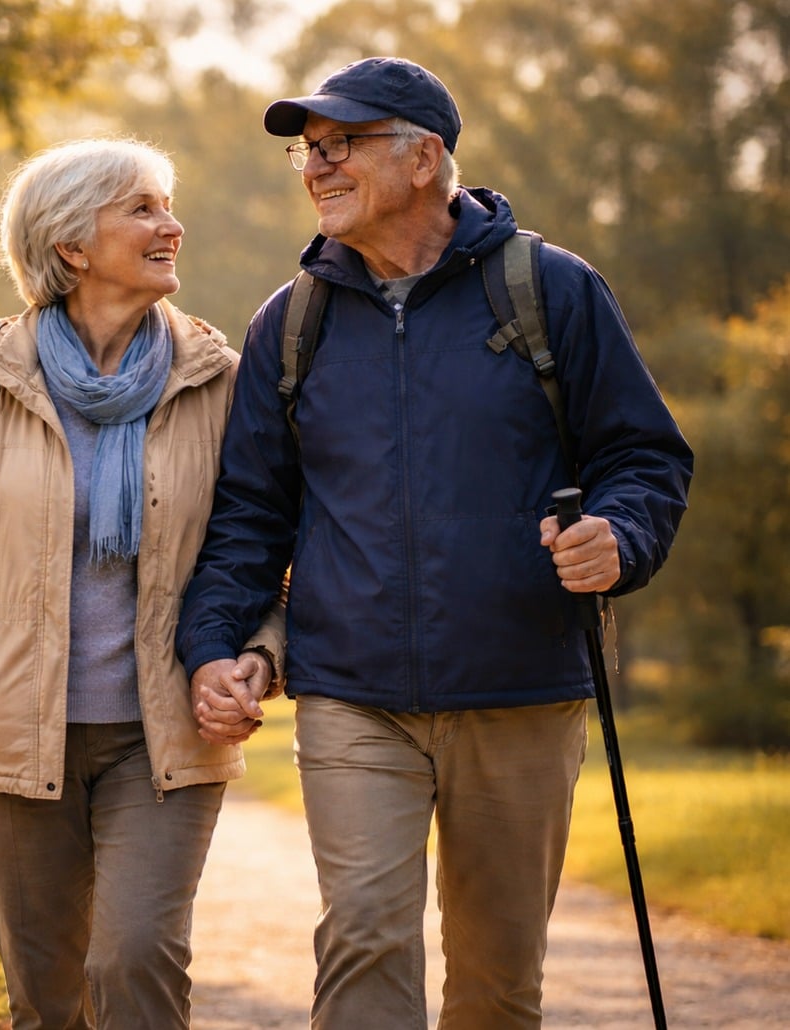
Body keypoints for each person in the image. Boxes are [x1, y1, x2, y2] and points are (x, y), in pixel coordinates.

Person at [175, 57, 693, 1029]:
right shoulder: (294, 323)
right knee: (366, 936)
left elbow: (644, 455)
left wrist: (620, 538)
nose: (318, 166)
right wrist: (214, 646)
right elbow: (249, 512)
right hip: (353, 693)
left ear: (426, 158)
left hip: (523, 687)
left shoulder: (552, 294)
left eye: (343, 145)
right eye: (309, 150)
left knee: (498, 977)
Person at [0, 137, 282, 1029]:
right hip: (15, 734)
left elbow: (264, 546)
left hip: (165, 733)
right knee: (47, 999)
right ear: (70, 244)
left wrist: (257, 655)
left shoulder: (218, 380)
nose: (171, 227)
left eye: (166, 206)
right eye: (142, 209)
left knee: (134, 958)